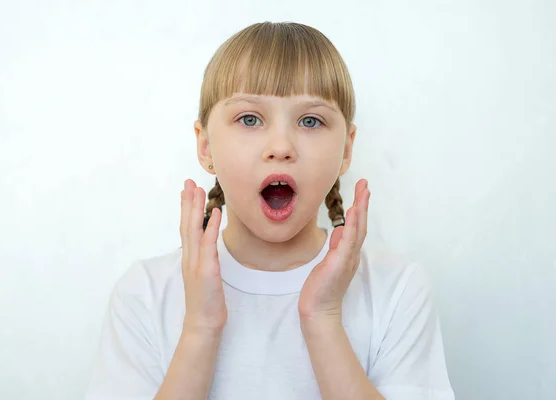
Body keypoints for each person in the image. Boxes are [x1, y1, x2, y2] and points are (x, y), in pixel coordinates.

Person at [85, 21, 455, 400]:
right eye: (249, 119)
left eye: (310, 120)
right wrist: (201, 326)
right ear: (206, 146)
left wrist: (323, 319)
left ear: (346, 149)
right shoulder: (145, 294)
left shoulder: (396, 290)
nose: (281, 146)